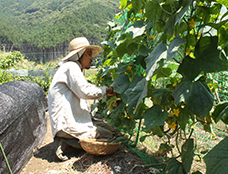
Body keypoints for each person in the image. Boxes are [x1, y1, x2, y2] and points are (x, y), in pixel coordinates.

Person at [48, 37, 117, 161]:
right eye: (89, 54)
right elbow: (84, 91)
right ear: (79, 55)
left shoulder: (71, 68)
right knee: (108, 135)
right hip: (65, 123)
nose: (92, 58)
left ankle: (70, 138)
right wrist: (107, 91)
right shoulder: (71, 67)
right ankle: (67, 140)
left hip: (74, 118)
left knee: (111, 130)